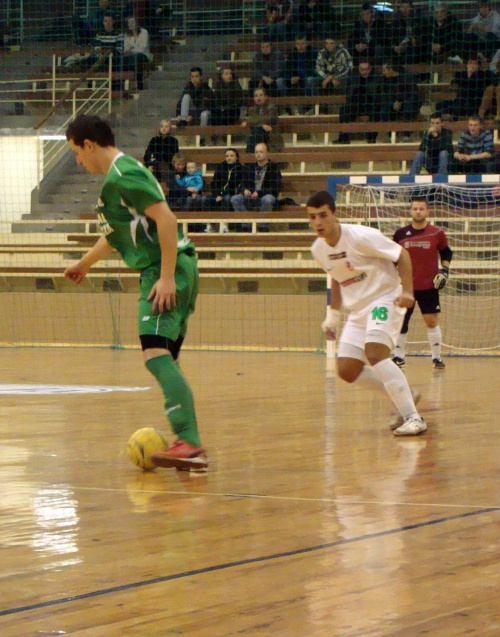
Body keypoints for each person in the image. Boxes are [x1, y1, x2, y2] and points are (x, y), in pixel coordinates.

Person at [64, 114, 207, 471]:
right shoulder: (117, 180)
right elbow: (115, 236)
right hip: (168, 269)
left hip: (164, 270)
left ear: (89, 144)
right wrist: (84, 264)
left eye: (76, 154)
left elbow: (168, 220)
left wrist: (167, 276)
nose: (78, 162)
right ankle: (189, 444)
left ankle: (189, 443)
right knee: (164, 357)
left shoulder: (126, 174)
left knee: (155, 354)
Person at [307, 190, 425, 436]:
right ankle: (406, 397)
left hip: (385, 298)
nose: (318, 222)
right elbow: (337, 277)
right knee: (347, 369)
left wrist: (408, 291)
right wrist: (334, 315)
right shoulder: (318, 250)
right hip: (359, 309)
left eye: (323, 215)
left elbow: (401, 255)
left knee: (375, 353)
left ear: (334, 214)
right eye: (312, 217)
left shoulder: (361, 236)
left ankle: (414, 417)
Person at [392, 197, 453, 370]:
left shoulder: (436, 233)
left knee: (431, 321)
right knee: (401, 322)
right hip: (406, 287)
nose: (418, 211)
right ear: (411, 211)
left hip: (429, 286)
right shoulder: (400, 234)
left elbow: (446, 253)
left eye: (421, 209)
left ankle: (436, 358)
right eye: (415, 209)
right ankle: (398, 356)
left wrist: (445, 271)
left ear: (427, 212)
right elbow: (393, 258)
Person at [231, 142, 282, 221]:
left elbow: (275, 188)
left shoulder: (274, 167)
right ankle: (246, 223)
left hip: (264, 197)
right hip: (250, 197)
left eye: (261, 152)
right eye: (256, 152)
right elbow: (242, 184)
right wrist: (244, 190)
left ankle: (262, 225)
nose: (258, 154)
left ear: (267, 153)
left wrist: (259, 193)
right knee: (234, 199)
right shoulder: (249, 167)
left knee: (268, 199)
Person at [435, 54, 493, 120]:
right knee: (440, 104)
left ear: (478, 66)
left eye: (475, 64)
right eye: (470, 63)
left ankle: (454, 117)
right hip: (460, 103)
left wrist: (472, 75)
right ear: (466, 65)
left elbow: (489, 79)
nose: (472, 66)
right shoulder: (460, 75)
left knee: (464, 92)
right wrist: (468, 75)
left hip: (474, 103)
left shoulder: (483, 75)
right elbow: (453, 84)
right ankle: (445, 116)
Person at [335, 59, 379, 144]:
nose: (364, 71)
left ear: (370, 69)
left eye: (366, 69)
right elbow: (349, 94)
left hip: (371, 105)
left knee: (376, 112)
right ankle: (343, 138)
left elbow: (376, 96)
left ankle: (371, 139)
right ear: (359, 69)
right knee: (344, 110)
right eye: (362, 69)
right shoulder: (354, 79)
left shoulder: (376, 79)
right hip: (356, 105)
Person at [241, 87, 284, 153]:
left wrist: (249, 121)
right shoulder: (251, 109)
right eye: (256, 96)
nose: (258, 98)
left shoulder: (272, 108)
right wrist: (261, 125)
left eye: (261, 95)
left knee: (254, 138)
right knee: (252, 139)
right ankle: (250, 161)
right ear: (253, 98)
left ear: (266, 97)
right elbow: (252, 120)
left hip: (271, 136)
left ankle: (250, 161)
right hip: (257, 135)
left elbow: (267, 120)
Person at [122, 15, 153, 91]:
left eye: (133, 22)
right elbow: (126, 48)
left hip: (144, 55)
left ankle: (139, 85)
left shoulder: (144, 32)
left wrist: (131, 49)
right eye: (129, 23)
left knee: (137, 58)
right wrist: (131, 50)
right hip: (131, 56)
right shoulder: (127, 35)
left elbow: (143, 48)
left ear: (137, 23)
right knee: (124, 60)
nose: (131, 24)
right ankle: (123, 85)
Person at [283, 33, 318, 99]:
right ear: (295, 45)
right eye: (298, 44)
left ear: (306, 44)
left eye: (302, 43)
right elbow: (287, 70)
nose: (300, 46)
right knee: (280, 81)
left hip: (309, 78)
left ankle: (309, 106)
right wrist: (291, 78)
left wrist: (302, 77)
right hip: (295, 80)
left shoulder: (313, 53)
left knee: (310, 80)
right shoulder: (292, 54)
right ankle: (288, 106)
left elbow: (316, 70)